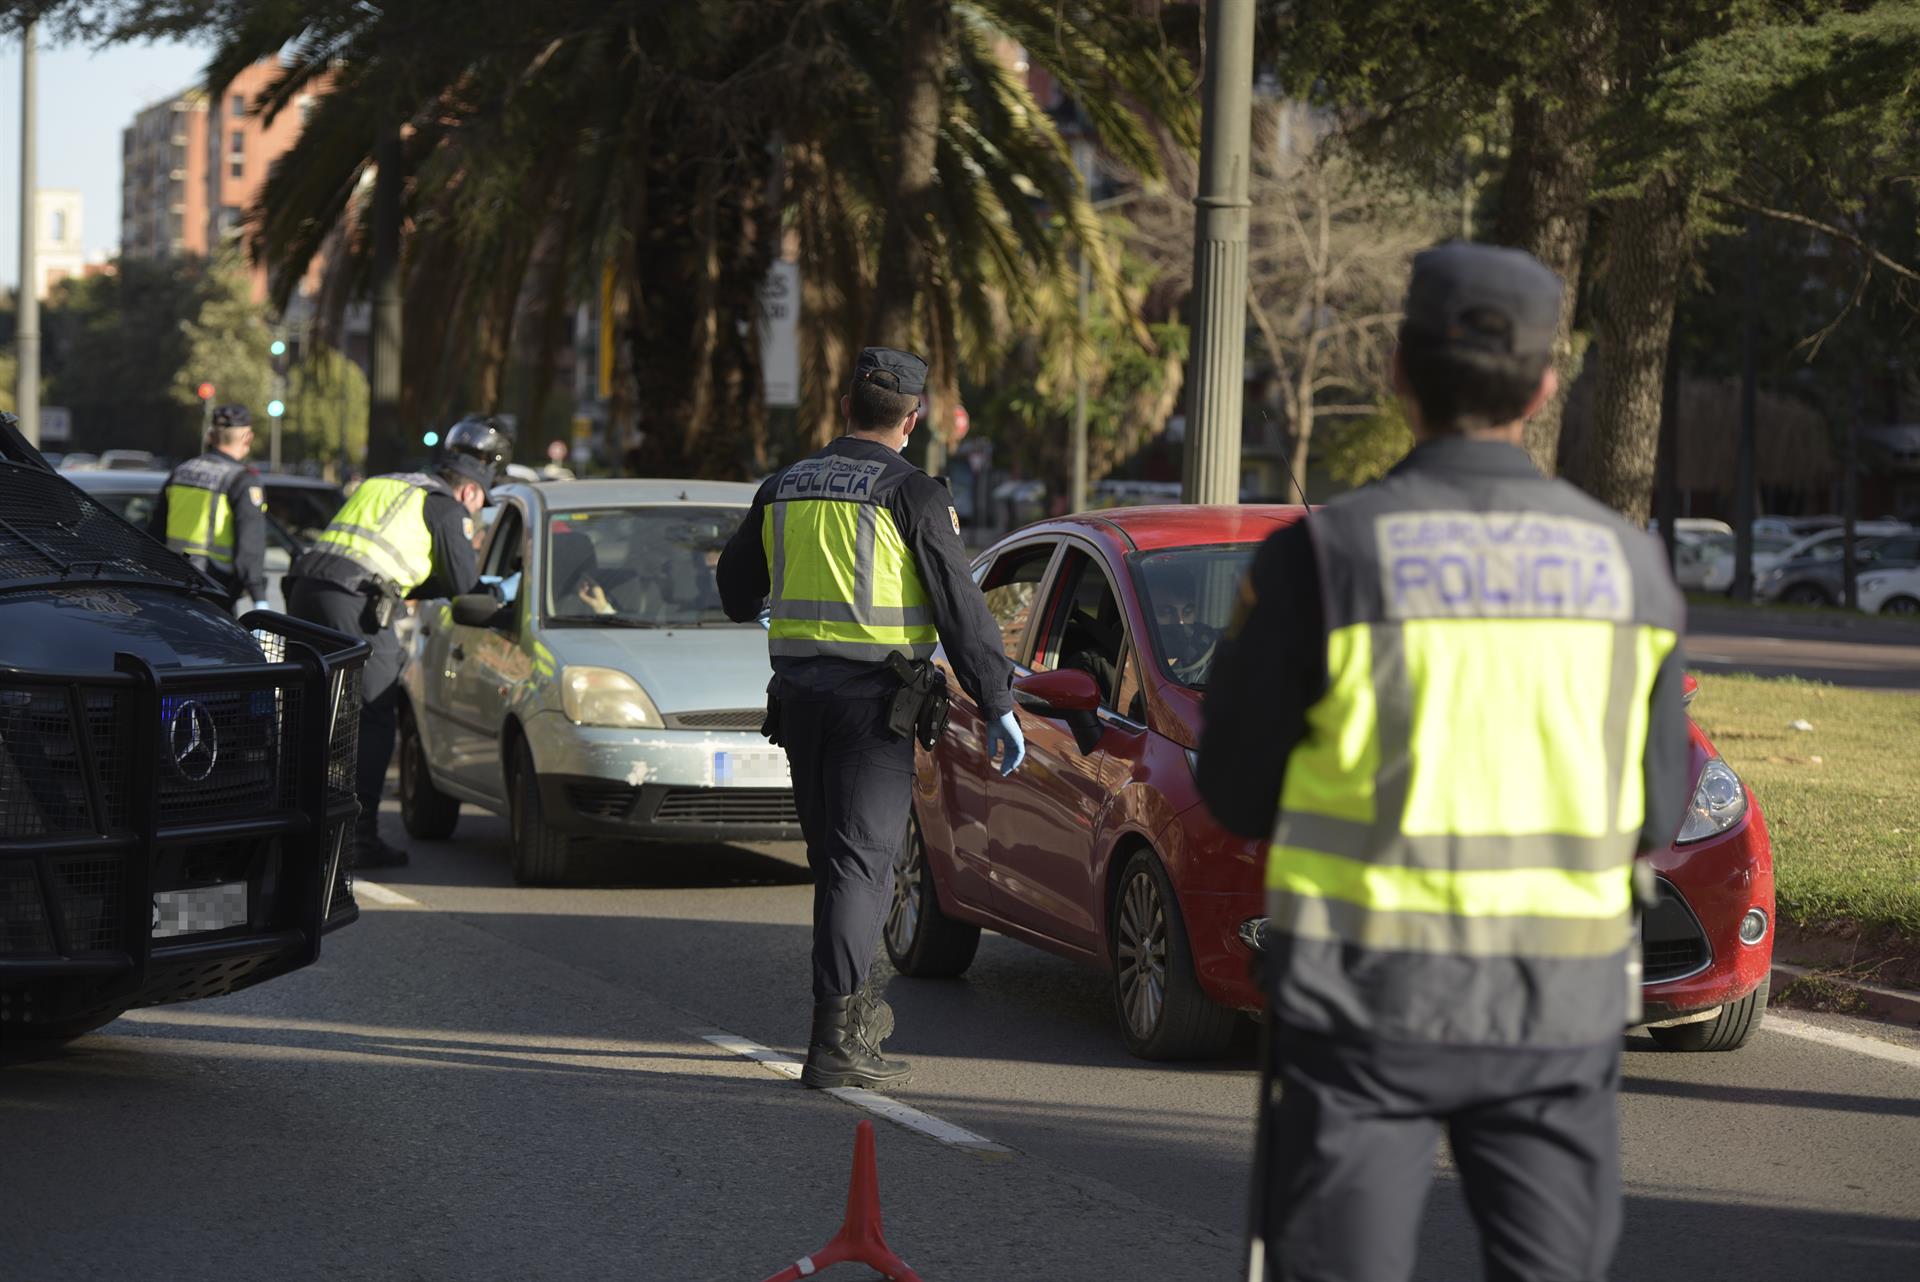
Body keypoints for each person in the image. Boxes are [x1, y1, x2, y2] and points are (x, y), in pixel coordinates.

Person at [1198, 243, 1689, 1282]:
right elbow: (1656, 809)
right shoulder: (1629, 567)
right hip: (1557, 1010)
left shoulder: (1320, 558)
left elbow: (1232, 787)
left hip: (1359, 1006)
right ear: (1547, 386)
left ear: (1397, 371)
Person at [716, 347, 1025, 1091]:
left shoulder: (784, 486)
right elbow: (960, 606)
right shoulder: (912, 493)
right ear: (912, 420)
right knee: (862, 867)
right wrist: (999, 701)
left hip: (797, 704)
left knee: (835, 864)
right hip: (873, 711)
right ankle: (837, 1041)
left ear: (844, 406)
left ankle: (841, 1027)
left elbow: (733, 591)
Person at [284, 417, 509, 869]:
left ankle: (297, 828)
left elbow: (387, 558)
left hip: (305, 592)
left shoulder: (388, 483)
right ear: (470, 491)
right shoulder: (446, 507)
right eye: (480, 504)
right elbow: (463, 585)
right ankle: (359, 840)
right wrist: (501, 600)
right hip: (356, 603)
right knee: (374, 715)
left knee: (314, 715)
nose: (475, 511)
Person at [150, 405, 268, 613]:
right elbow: (250, 545)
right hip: (216, 592)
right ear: (247, 438)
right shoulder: (242, 480)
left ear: (211, 436)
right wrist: (259, 597)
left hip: (172, 587)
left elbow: (154, 533)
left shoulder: (182, 471)